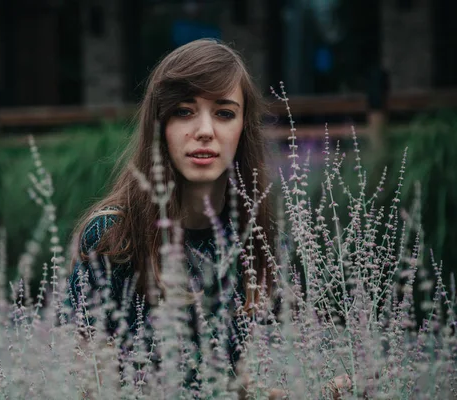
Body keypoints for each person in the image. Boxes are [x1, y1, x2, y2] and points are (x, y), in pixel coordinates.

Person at [66, 38, 349, 399]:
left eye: (224, 113)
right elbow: (87, 386)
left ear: (242, 128)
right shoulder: (114, 237)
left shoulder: (249, 239)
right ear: (159, 126)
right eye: (184, 111)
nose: (204, 130)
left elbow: (227, 389)